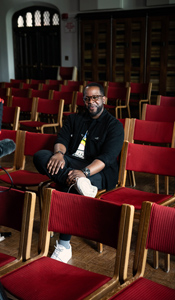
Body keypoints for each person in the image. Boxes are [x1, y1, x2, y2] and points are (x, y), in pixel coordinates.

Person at [33, 82, 124, 263]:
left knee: (71, 187)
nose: (91, 102)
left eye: (95, 97)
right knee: (41, 156)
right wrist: (59, 154)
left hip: (98, 171)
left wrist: (84, 173)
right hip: (71, 163)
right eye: (87, 98)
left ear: (104, 99)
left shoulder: (114, 126)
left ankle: (64, 246)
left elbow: (107, 158)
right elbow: (61, 139)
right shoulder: (74, 119)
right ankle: (76, 182)